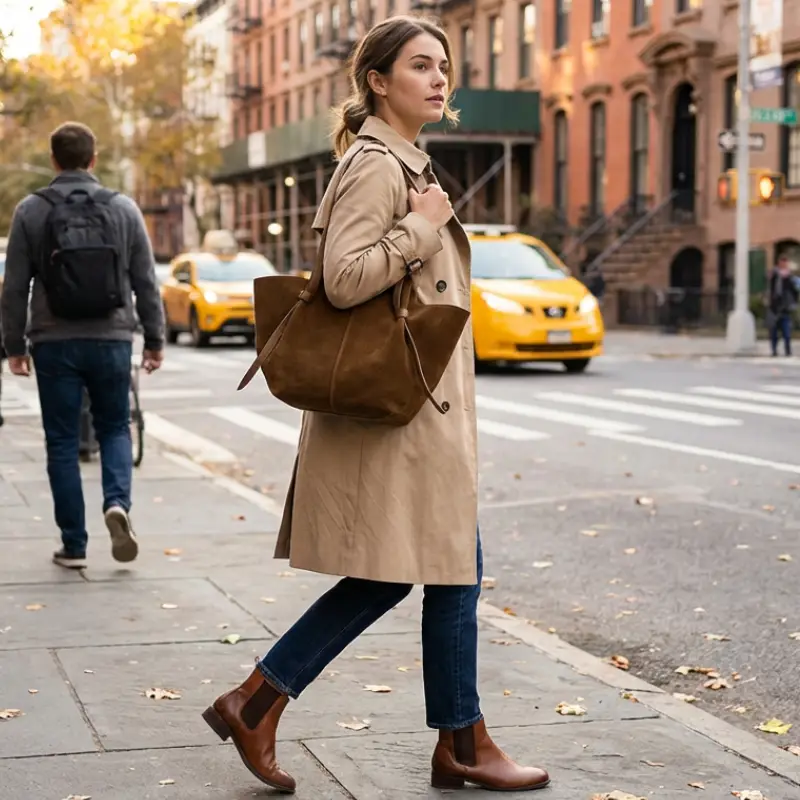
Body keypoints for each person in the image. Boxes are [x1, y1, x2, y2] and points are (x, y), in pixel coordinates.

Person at [202, 16, 550, 794]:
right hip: (398, 413)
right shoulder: (374, 166)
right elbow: (344, 278)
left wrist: (422, 218)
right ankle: (445, 738)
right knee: (440, 566)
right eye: (420, 65)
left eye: (445, 67)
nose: (438, 79)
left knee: (433, 567)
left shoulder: (406, 163)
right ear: (377, 81)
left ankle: (273, 700)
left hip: (415, 412)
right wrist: (421, 229)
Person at [0, 122, 165, 569]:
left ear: (54, 160)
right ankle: (117, 504)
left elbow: (14, 286)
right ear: (94, 160)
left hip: (53, 341)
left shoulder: (31, 211)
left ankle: (74, 544)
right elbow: (145, 281)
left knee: (61, 441)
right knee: (114, 427)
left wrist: (13, 345)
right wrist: (154, 339)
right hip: (111, 337)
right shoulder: (124, 209)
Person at [767, 254, 798, 357]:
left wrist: (793, 302)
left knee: (786, 332)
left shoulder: (790, 277)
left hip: (785, 308)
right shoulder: (774, 275)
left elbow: (794, 291)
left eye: (785, 262)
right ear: (779, 263)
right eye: (782, 262)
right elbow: (770, 288)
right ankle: (774, 350)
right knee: (774, 332)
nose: (784, 264)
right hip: (774, 308)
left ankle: (787, 351)